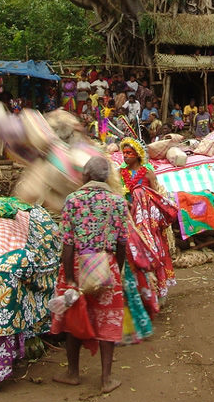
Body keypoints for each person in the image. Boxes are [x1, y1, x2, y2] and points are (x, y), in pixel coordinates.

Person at [51, 156, 128, 394]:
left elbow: (67, 243)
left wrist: (71, 279)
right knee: (108, 321)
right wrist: (119, 269)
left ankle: (72, 373)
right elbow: (122, 243)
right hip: (107, 265)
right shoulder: (118, 202)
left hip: (76, 264)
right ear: (105, 177)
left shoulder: (73, 200)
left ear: (85, 175)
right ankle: (106, 379)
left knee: (74, 316)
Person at [118, 137, 176, 327]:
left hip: (147, 222)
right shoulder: (120, 173)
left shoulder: (148, 173)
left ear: (138, 155)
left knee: (153, 251)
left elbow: (156, 195)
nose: (126, 156)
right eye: (124, 153)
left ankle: (157, 291)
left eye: (129, 153)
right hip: (129, 219)